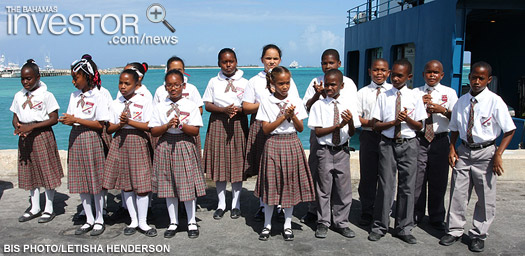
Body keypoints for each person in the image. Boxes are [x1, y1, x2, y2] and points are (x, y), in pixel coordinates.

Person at [439, 61, 515, 253]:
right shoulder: (462, 101)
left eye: (482, 78)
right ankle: (454, 230)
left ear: (488, 79)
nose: (477, 81)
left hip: (486, 153)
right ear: (469, 77)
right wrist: (452, 148)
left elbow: (509, 130)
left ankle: (478, 234)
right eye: (474, 77)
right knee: (458, 193)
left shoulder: (495, 101)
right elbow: (454, 128)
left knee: (485, 196)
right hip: (464, 151)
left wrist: (498, 154)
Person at [368, 59, 427, 244]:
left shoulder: (415, 96)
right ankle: (380, 225)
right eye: (393, 74)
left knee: (407, 187)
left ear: (409, 77)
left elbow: (420, 126)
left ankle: (404, 227)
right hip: (387, 143)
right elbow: (376, 125)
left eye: (399, 75)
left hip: (409, 143)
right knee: (385, 185)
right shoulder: (384, 96)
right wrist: (393, 122)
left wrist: (406, 119)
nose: (395, 78)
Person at [254, 66, 315, 241]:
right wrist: (282, 117)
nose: (285, 86)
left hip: (291, 142)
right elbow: (265, 129)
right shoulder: (266, 101)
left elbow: (301, 128)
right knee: (271, 185)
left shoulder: (295, 99)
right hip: (273, 143)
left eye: (287, 82)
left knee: (289, 185)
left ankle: (287, 225)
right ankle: (267, 224)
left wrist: (293, 115)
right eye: (281, 83)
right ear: (272, 83)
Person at [242, 44, 300, 222]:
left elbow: (295, 102)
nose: (271, 61)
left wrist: (280, 106)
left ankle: (281, 205)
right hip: (262, 125)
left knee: (283, 169)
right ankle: (263, 204)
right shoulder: (254, 81)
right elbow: (246, 107)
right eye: (268, 58)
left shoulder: (287, 79)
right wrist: (269, 103)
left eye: (275, 58)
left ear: (280, 60)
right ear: (262, 60)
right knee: (264, 168)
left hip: (284, 128)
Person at [301, 48, 358, 223]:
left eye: (331, 63)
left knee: (340, 180)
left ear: (339, 64)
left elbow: (351, 109)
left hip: (340, 136)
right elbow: (307, 108)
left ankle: (338, 215)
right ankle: (314, 210)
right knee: (317, 172)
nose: (327, 66)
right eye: (324, 63)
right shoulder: (315, 81)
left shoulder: (348, 83)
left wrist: (346, 125)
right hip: (319, 132)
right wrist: (318, 94)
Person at [150, 69, 207, 239]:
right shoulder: (160, 106)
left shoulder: (190, 105)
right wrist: (167, 126)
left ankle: (191, 221)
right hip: (166, 144)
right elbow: (153, 131)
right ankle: (173, 221)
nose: (173, 88)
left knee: (187, 184)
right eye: (169, 85)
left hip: (184, 144)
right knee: (169, 185)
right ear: (165, 87)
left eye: (176, 85)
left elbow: (195, 130)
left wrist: (181, 125)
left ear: (183, 86)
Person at [59, 55, 110, 236]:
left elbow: (99, 124)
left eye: (76, 78)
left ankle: (99, 218)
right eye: (72, 78)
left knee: (94, 180)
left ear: (87, 76)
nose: (73, 82)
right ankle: (88, 218)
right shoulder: (74, 96)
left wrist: (76, 119)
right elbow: (73, 118)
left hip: (91, 139)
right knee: (82, 180)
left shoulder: (98, 96)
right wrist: (68, 121)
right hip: (76, 138)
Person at [102, 69, 156, 237]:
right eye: (121, 83)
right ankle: (133, 220)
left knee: (141, 184)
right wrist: (120, 124)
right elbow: (109, 128)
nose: (123, 87)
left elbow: (149, 126)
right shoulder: (115, 103)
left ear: (136, 84)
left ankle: (143, 221)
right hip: (120, 142)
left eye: (127, 83)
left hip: (138, 141)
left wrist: (130, 122)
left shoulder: (144, 101)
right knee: (127, 184)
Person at [308, 69, 360, 239]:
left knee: (343, 190)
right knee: (323, 188)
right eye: (327, 84)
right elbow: (319, 132)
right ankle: (323, 221)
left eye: (333, 84)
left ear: (341, 85)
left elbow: (351, 132)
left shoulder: (348, 105)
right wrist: (338, 126)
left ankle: (341, 222)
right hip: (325, 151)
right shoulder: (319, 105)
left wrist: (349, 122)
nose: (329, 88)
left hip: (342, 151)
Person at [11, 59, 63, 224]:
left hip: (41, 136)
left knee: (46, 171)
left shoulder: (46, 96)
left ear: (38, 77)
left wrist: (32, 127)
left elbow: (54, 118)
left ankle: (49, 207)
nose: (26, 82)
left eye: (29, 78)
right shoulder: (19, 96)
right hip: (25, 137)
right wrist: (18, 127)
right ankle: (34, 207)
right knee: (30, 172)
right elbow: (15, 116)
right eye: (23, 79)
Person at [202, 48, 249, 220]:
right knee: (220, 165)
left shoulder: (245, 82)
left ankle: (236, 204)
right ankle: (221, 204)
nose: (228, 65)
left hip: (238, 123)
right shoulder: (214, 81)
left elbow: (250, 105)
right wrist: (223, 110)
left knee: (237, 165)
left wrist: (239, 110)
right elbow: (207, 104)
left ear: (236, 62)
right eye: (224, 62)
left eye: (231, 61)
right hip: (218, 123)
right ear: (219, 63)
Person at [413, 60, 458, 230]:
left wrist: (443, 110)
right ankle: (415, 214)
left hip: (440, 140)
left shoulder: (450, 93)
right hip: (420, 139)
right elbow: (408, 117)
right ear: (423, 74)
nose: (432, 75)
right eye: (429, 72)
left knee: (438, 181)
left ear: (442, 75)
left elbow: (457, 119)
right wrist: (420, 106)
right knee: (418, 180)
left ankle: (436, 216)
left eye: (436, 72)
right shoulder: (415, 93)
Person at [355, 58, 392, 226]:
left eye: (383, 70)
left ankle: (384, 210)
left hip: (389, 137)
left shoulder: (393, 91)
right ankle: (367, 210)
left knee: (387, 176)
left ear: (388, 73)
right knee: (368, 176)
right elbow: (357, 117)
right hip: (369, 137)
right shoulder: (363, 93)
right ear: (370, 71)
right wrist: (373, 124)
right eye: (376, 70)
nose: (379, 73)